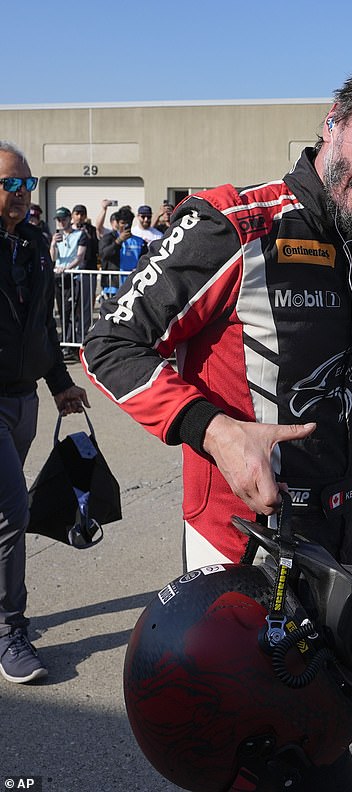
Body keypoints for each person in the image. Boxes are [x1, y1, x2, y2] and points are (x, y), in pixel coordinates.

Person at [83, 51, 352, 789]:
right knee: (253, 760)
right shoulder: (234, 222)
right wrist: (215, 430)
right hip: (240, 549)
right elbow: (108, 344)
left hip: (335, 541)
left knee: (316, 737)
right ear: (334, 125)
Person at [0, 141, 89, 684]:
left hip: (24, 397)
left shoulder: (34, 243)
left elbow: (43, 323)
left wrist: (59, 383)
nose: (21, 195)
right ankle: (11, 630)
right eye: (10, 184)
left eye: (27, 185)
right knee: (12, 512)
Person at [49, 206, 87, 359]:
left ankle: (72, 343)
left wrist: (66, 268)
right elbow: (52, 258)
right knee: (62, 311)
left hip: (73, 277)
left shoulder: (80, 235)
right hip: (59, 278)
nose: (61, 222)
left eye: (63, 219)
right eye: (58, 219)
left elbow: (80, 257)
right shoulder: (57, 236)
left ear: (69, 219)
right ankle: (65, 342)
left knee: (73, 312)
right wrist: (52, 244)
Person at [98, 206, 147, 289]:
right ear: (117, 223)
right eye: (122, 223)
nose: (125, 226)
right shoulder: (108, 238)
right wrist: (118, 241)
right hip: (113, 285)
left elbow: (145, 259)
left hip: (133, 285)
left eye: (128, 223)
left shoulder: (140, 241)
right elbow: (103, 255)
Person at [71, 204, 99, 344]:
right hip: (71, 273)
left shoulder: (91, 230)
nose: (80, 216)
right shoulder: (67, 230)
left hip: (88, 270)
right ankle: (71, 338)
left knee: (86, 306)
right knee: (71, 306)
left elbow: (96, 247)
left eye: (82, 214)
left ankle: (82, 336)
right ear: (72, 215)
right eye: (77, 213)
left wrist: (88, 235)